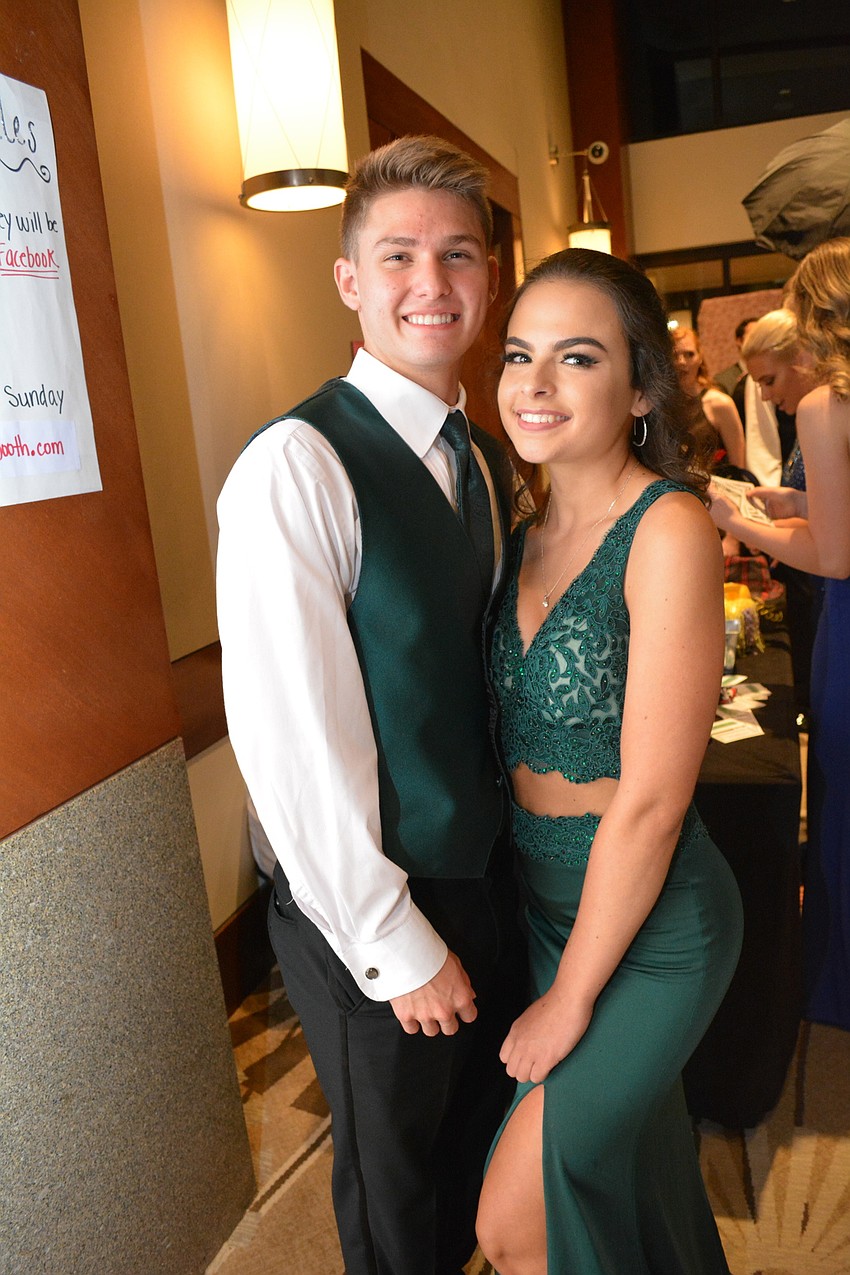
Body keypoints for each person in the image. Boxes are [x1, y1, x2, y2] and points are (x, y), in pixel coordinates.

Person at [216, 135, 526, 1275]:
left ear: (489, 277)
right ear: (349, 280)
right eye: (397, 256)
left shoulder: (484, 454)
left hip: (483, 869)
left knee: (470, 1166)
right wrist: (394, 940)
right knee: (397, 1200)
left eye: (458, 254)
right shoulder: (296, 464)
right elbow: (294, 740)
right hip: (369, 900)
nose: (430, 283)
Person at [475, 248, 743, 1275]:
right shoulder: (519, 531)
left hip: (654, 924)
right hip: (548, 908)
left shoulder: (667, 527)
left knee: (515, 1223)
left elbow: (654, 802)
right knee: (635, 1179)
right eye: (519, 355)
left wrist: (570, 997)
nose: (535, 384)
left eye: (577, 358)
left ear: (638, 391)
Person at [709, 237, 850, 1032]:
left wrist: (734, 519)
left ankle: (835, 985)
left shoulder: (829, 405)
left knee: (840, 790)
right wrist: (795, 504)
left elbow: (835, 556)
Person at [737, 308, 824, 711]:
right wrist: (795, 504)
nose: (766, 396)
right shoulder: (811, 416)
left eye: (769, 381)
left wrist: (737, 523)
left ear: (802, 357)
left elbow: (832, 543)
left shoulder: (821, 414)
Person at [672, 325, 746, 469]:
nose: (681, 362)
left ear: (700, 357)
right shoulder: (659, 405)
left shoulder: (720, 403)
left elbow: (738, 467)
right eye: (674, 355)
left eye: (689, 354)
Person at [714, 314, 757, 396]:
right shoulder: (723, 381)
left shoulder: (772, 374)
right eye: (753, 336)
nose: (759, 341)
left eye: (762, 337)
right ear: (739, 341)